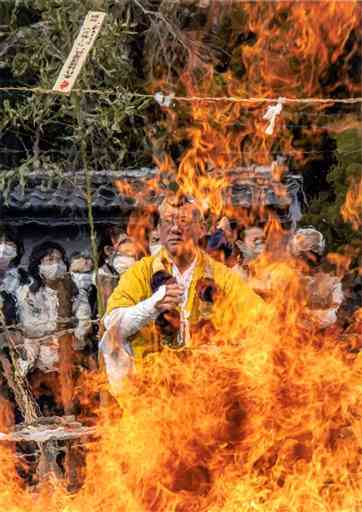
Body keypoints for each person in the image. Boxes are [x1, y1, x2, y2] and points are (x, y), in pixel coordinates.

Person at [101, 195, 265, 392]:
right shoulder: (141, 272)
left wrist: (228, 348)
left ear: (201, 230)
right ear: (159, 230)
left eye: (184, 221)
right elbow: (112, 324)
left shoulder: (222, 276)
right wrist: (152, 306)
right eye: (168, 222)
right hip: (150, 390)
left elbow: (261, 320)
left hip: (208, 387)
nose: (175, 228)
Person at [16, 241, 76, 415]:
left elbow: (82, 324)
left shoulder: (74, 290)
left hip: (69, 364)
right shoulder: (27, 293)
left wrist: (65, 332)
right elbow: (30, 327)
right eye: (50, 260)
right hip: (39, 367)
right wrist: (60, 327)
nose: (56, 264)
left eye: (59, 260)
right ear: (38, 265)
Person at [288, 227, 344, 329]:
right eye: (300, 256)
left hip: (321, 338)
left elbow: (333, 314)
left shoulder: (332, 282)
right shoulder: (287, 278)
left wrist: (308, 314)